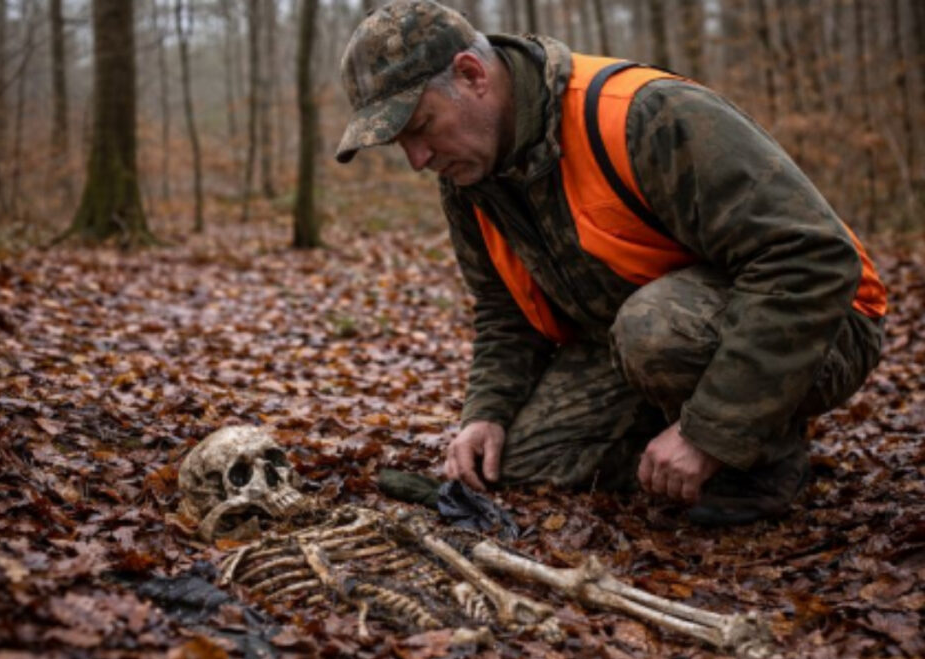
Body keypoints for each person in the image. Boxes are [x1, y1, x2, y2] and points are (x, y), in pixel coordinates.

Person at [334, 0, 886, 525]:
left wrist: (709, 433)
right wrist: (486, 414)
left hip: (826, 320)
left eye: (422, 126)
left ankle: (757, 459)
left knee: (654, 328)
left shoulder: (643, 114)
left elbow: (810, 259)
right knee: (522, 464)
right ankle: (695, 433)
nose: (417, 160)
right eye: (401, 143)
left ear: (472, 75)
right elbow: (505, 310)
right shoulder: (470, 177)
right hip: (634, 342)